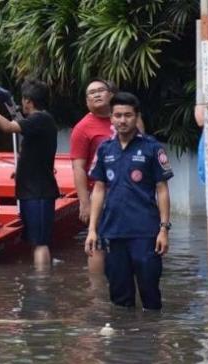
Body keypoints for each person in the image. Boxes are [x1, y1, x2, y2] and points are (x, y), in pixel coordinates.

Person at [85, 92, 173, 310]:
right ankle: (123, 341)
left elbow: (162, 189)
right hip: (113, 231)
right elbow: (98, 189)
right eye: (117, 115)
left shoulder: (152, 148)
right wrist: (92, 229)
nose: (122, 120)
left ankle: (153, 338)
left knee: (150, 293)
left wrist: (164, 229)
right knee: (119, 297)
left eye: (127, 115)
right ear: (111, 118)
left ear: (137, 117)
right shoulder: (105, 149)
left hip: (145, 232)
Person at [0, 79, 59, 271]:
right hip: (32, 191)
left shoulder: (40, 119)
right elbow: (35, 152)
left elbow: (8, 127)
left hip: (39, 193)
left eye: (24, 100)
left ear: (28, 101)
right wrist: (20, 170)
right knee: (35, 242)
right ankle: (38, 285)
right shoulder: (39, 122)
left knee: (40, 243)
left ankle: (42, 289)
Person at [71, 78, 115, 273]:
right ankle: (97, 296)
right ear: (87, 101)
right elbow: (78, 167)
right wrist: (84, 202)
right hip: (99, 194)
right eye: (91, 93)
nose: (96, 94)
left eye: (101, 90)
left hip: (127, 192)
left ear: (111, 94)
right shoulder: (82, 128)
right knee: (96, 243)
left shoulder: (125, 117)